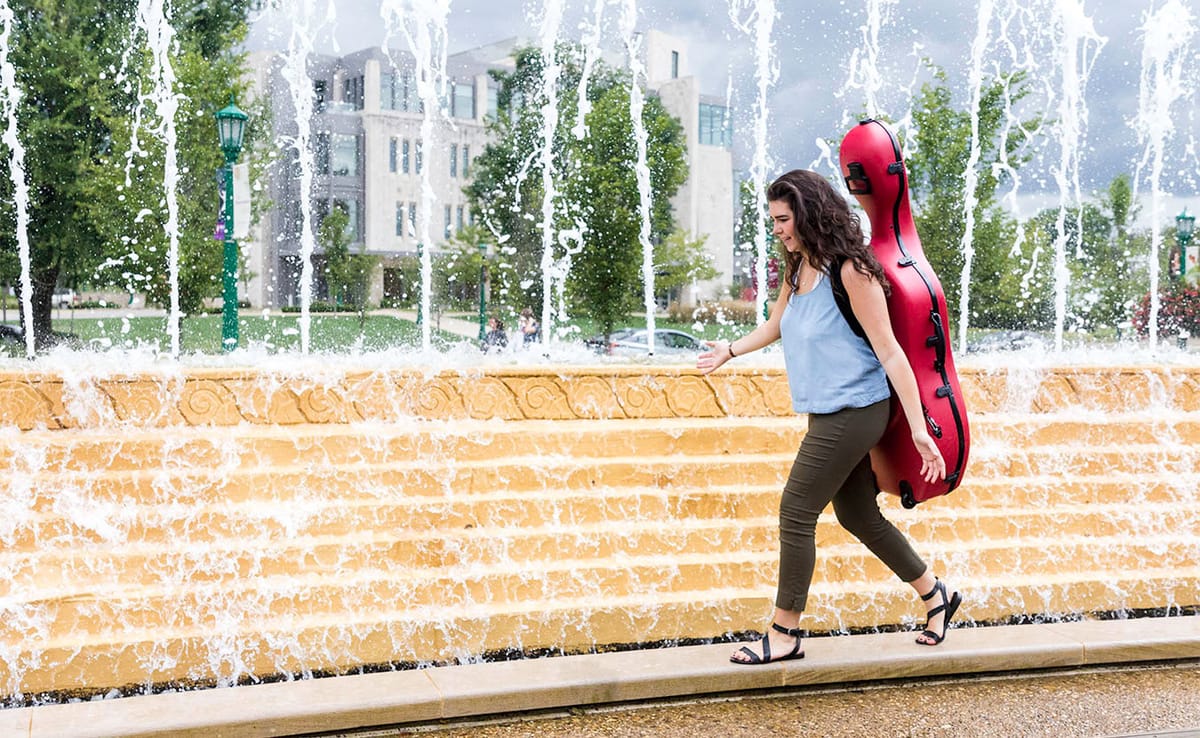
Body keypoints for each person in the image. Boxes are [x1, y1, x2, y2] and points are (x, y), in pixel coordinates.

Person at [697, 169, 961, 665]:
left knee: (795, 511)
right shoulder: (798, 268)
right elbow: (777, 324)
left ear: (808, 214)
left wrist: (922, 429)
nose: (776, 228)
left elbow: (891, 352)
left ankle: (785, 632)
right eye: (772, 219)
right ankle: (936, 595)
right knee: (857, 515)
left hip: (858, 410)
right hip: (827, 413)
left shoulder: (852, 271)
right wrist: (729, 351)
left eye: (782, 219)